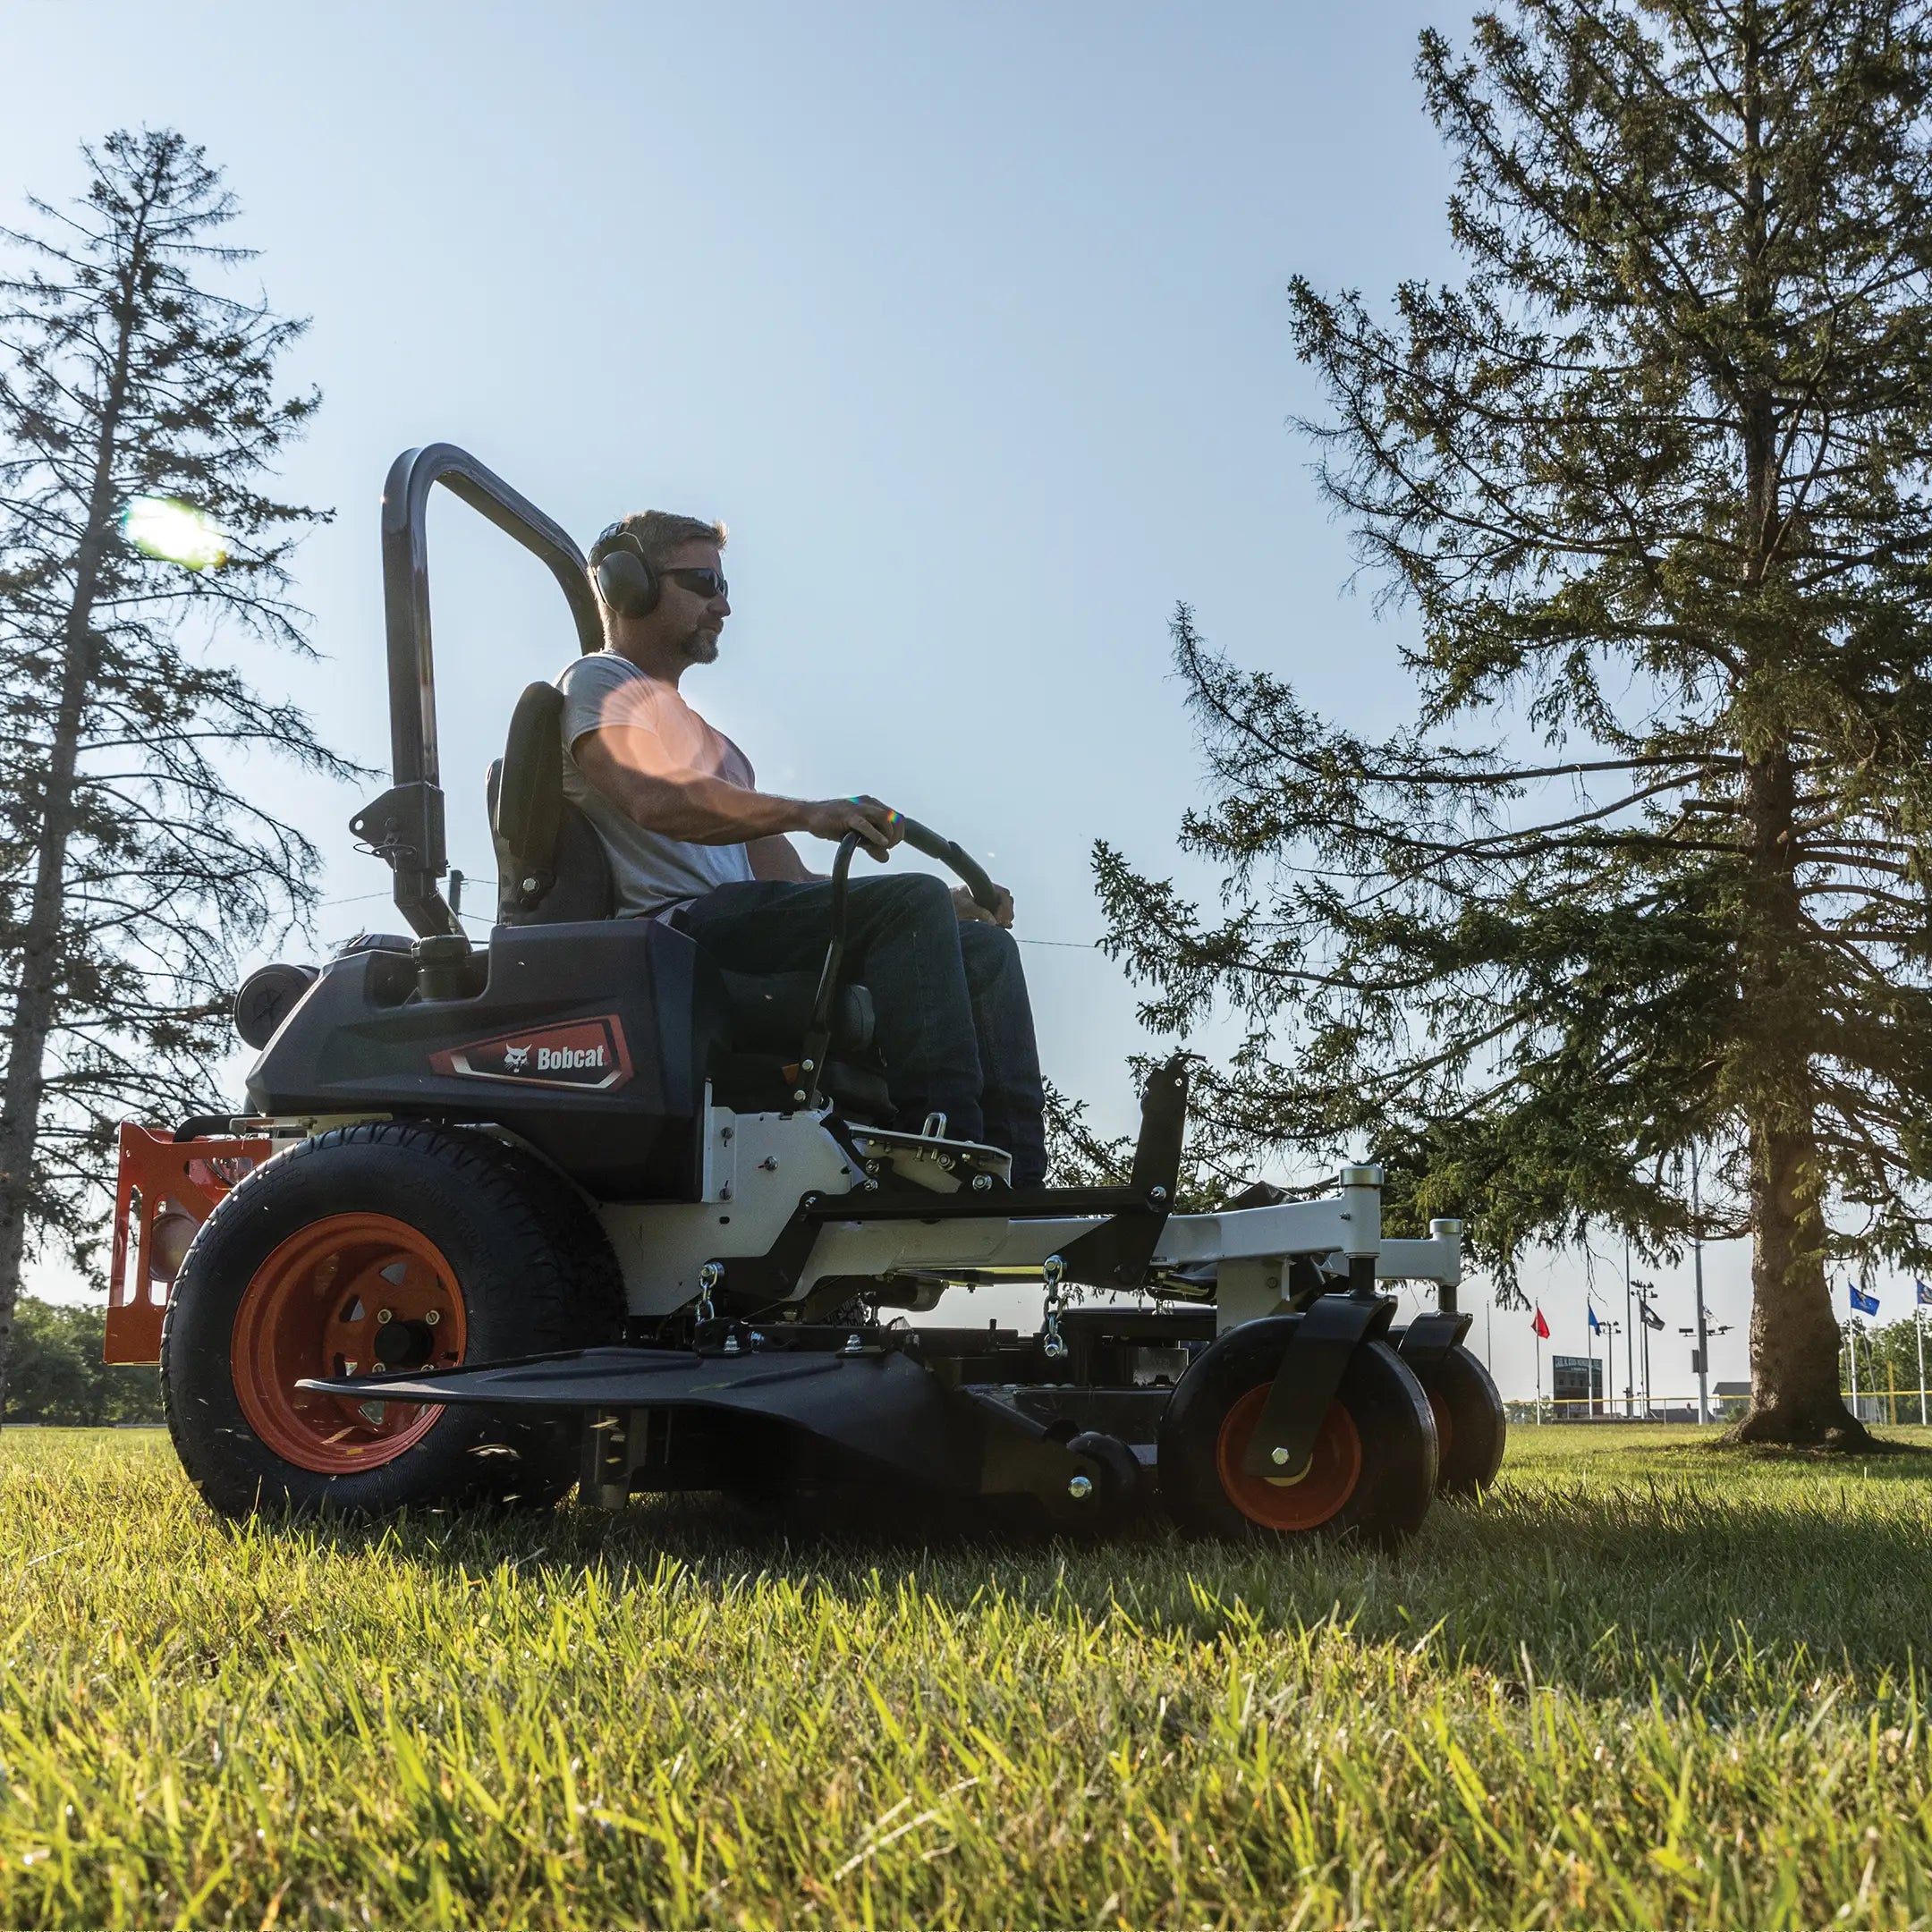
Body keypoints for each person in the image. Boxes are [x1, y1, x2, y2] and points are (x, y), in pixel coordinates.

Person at [556, 509, 1047, 1184]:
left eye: (724, 586)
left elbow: (794, 891)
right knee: (908, 903)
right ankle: (940, 1147)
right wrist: (810, 811)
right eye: (703, 582)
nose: (723, 605)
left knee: (983, 949)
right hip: (674, 935)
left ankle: (1018, 1169)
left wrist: (953, 910)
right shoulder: (598, 683)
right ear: (628, 585)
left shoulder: (717, 747)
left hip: (740, 920)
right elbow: (653, 799)